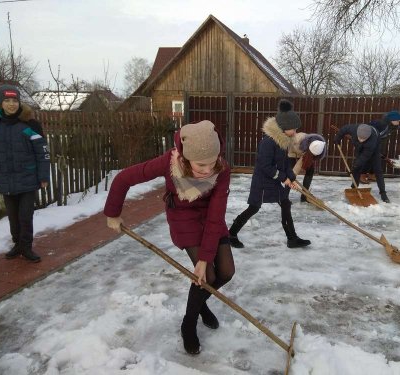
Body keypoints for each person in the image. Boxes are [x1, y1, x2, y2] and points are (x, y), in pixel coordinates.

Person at [104, 120, 234, 355]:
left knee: (226, 271)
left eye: (212, 162)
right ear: (185, 158)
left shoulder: (222, 169)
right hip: (183, 217)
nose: (208, 170)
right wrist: (113, 213)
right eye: (201, 164)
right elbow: (124, 178)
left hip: (210, 218)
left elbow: (216, 215)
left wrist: (204, 258)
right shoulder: (169, 162)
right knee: (208, 276)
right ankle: (189, 323)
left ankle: (200, 304)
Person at [228, 99, 311, 249]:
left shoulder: (283, 141)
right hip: (263, 183)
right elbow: (265, 166)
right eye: (294, 128)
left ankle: (292, 238)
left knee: (285, 204)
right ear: (284, 127)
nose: (296, 132)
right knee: (254, 207)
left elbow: (284, 163)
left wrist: (290, 177)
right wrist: (283, 178)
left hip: (276, 181)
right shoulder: (268, 142)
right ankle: (231, 233)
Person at [0, 84, 50, 262]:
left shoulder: (30, 124)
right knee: (13, 218)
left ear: (19, 102)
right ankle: (17, 244)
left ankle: (27, 247)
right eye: (7, 100)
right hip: (5, 179)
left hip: (28, 179)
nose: (11, 104)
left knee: (25, 216)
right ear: (0, 103)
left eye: (14, 100)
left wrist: (44, 176)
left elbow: (42, 153)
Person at [333, 123, 390, 203]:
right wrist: (337, 138)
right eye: (360, 138)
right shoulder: (353, 129)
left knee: (377, 170)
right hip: (359, 147)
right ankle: (354, 187)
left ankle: (383, 194)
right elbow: (343, 129)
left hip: (374, 150)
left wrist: (354, 166)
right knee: (357, 168)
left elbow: (364, 157)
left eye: (364, 139)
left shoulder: (371, 142)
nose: (361, 140)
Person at [360, 110, 400, 183]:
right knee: (368, 159)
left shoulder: (391, 126)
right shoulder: (382, 125)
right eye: (397, 120)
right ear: (391, 120)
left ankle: (371, 174)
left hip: (380, 142)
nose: (398, 122)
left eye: (399, 121)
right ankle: (361, 175)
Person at [288, 132, 327, 202]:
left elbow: (310, 157)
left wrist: (310, 157)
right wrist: (292, 177)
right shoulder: (299, 142)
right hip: (294, 149)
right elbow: (298, 166)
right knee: (290, 173)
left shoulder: (319, 146)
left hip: (306, 153)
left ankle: (304, 196)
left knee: (310, 171)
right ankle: (284, 197)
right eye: (311, 154)